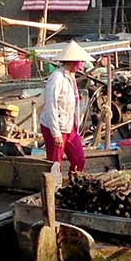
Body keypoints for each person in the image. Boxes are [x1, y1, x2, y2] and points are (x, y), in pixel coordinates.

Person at [40, 40, 89, 173]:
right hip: (54, 126)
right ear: (73, 62)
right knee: (55, 163)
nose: (81, 66)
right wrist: (56, 134)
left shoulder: (71, 77)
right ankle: (53, 189)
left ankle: (76, 182)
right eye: (80, 63)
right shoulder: (57, 78)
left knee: (79, 160)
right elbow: (51, 106)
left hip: (69, 126)